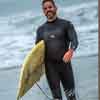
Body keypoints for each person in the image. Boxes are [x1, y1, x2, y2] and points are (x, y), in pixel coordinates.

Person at [35, 0, 78, 100]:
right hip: (50, 69)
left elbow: (74, 40)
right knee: (56, 98)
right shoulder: (40, 30)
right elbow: (37, 52)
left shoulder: (66, 24)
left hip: (65, 67)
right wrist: (33, 70)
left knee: (71, 97)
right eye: (45, 9)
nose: (48, 10)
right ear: (43, 11)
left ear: (55, 8)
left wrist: (70, 51)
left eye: (50, 7)